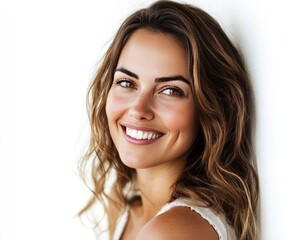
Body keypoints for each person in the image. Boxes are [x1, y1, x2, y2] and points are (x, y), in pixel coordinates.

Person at [78, 1, 259, 239]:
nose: (138, 109)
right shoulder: (126, 207)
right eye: (126, 83)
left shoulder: (171, 232)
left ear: (210, 109)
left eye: (170, 91)